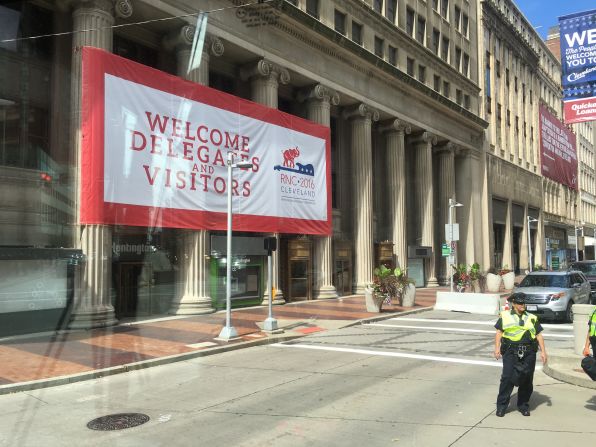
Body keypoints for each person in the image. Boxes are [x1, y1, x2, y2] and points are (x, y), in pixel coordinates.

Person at [494, 292, 547, 417]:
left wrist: (543, 352)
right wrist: (496, 348)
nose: (523, 305)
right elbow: (499, 332)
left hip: (528, 352)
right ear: (513, 304)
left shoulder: (531, 317)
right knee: (507, 378)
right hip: (511, 351)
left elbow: (539, 335)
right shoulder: (505, 316)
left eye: (524, 302)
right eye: (520, 303)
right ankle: (501, 406)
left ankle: (523, 405)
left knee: (527, 379)